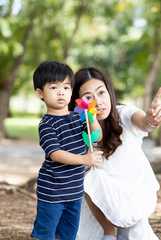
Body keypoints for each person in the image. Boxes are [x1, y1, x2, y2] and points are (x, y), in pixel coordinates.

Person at [68, 67, 161, 240]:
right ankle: (110, 232)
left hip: (136, 197)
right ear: (79, 103)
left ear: (109, 92)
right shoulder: (83, 130)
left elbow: (144, 123)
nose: (98, 102)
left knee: (91, 179)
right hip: (104, 204)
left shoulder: (124, 114)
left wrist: (151, 120)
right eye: (88, 98)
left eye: (101, 93)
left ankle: (110, 232)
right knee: (86, 181)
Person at [31, 61, 103, 240]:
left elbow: (98, 136)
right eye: (54, 87)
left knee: (68, 233)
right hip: (53, 191)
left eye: (66, 87)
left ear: (72, 91)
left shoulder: (78, 117)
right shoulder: (47, 124)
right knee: (46, 233)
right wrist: (84, 159)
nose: (61, 92)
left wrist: (91, 118)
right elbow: (55, 154)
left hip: (75, 191)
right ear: (40, 93)